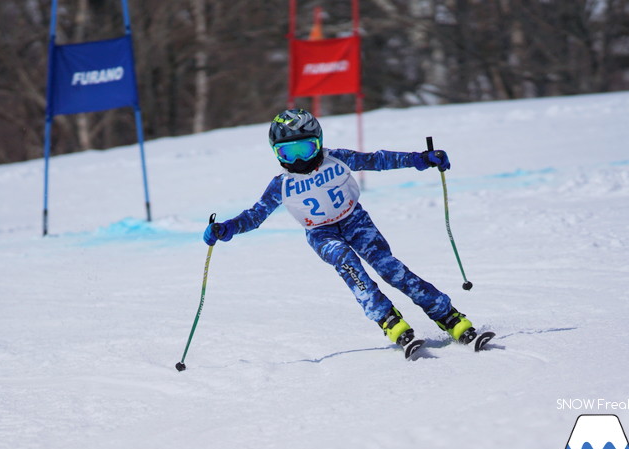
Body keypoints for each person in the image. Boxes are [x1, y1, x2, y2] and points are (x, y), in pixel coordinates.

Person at [203, 108, 479, 349]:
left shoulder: (337, 158)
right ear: (276, 153)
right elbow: (255, 216)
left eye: (305, 149)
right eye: (288, 153)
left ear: (319, 143)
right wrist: (226, 228)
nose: (299, 161)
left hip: (354, 220)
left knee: (390, 268)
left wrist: (420, 159)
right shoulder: (281, 184)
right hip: (321, 233)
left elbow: (377, 160)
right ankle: (388, 319)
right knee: (348, 265)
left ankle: (446, 315)